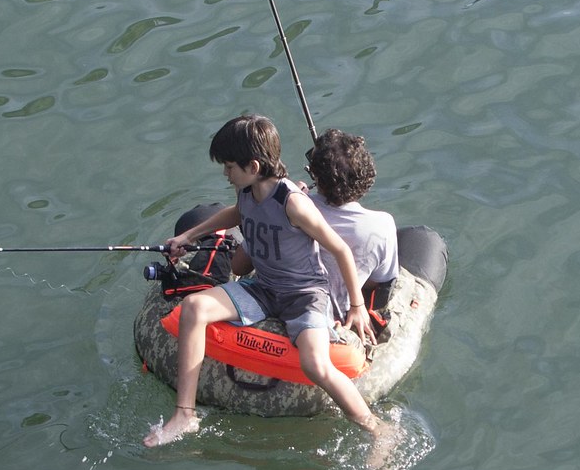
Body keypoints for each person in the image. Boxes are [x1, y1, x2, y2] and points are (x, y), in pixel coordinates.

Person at [143, 114, 385, 448]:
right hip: (264, 288)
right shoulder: (247, 192)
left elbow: (340, 249)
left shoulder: (293, 203)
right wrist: (190, 233)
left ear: (253, 166)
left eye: (229, 167)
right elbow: (235, 213)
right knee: (194, 307)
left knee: (315, 365)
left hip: (304, 296)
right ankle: (185, 414)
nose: (226, 175)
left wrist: (357, 306)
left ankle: (376, 430)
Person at [305, 129, 398, 324]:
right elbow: (379, 282)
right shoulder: (383, 225)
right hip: (338, 316)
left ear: (316, 175)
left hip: (290, 306)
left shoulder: (292, 205)